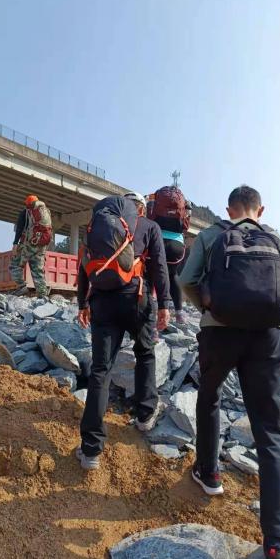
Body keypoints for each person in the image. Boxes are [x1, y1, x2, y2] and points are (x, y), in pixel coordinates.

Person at [179, 185, 280, 559]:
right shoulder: (277, 240)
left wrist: (209, 306)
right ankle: (278, 544)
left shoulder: (211, 236)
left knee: (209, 397)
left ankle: (209, 474)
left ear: (229, 209)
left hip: (219, 332)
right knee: (270, 433)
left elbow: (186, 279)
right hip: (271, 338)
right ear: (260, 210)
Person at [76, 192, 171, 470]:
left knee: (101, 370)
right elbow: (160, 266)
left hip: (102, 302)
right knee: (145, 353)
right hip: (136, 298)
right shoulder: (149, 226)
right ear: (139, 209)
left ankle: (91, 451)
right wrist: (165, 304)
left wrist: (82, 303)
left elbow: (84, 266)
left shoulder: (97, 227)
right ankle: (145, 416)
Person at [147, 187, 191, 323]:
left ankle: (149, 312)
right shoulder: (184, 203)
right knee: (172, 275)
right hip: (176, 245)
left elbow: (148, 217)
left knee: (150, 274)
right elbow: (186, 225)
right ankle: (179, 313)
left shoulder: (154, 199)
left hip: (156, 240)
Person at [10, 194, 52, 298]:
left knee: (15, 265)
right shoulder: (46, 211)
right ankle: (42, 295)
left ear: (28, 204)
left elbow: (19, 229)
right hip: (41, 246)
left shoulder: (25, 212)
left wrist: (15, 244)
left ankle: (21, 287)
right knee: (37, 270)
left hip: (28, 244)